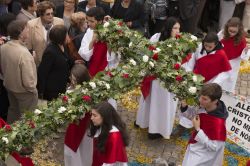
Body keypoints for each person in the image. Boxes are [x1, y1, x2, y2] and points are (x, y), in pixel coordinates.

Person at [135, 17, 180, 139]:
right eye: (175, 28)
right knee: (151, 101)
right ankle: (145, 122)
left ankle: (157, 129)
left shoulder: (179, 42)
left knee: (162, 104)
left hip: (167, 79)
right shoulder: (156, 37)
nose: (177, 31)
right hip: (154, 77)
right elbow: (148, 51)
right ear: (169, 28)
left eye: (179, 28)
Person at [180, 32, 231, 129]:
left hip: (209, 83)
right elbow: (192, 61)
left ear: (215, 44)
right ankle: (184, 124)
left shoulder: (221, 54)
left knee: (202, 104)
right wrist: (189, 74)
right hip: (194, 80)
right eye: (205, 45)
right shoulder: (199, 46)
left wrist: (213, 84)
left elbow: (226, 72)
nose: (207, 48)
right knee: (189, 101)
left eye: (210, 47)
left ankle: (199, 125)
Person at [0, 20, 38, 124]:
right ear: (21, 33)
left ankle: (9, 135)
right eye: (27, 28)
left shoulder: (3, 47)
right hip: (24, 92)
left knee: (13, 112)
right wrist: (33, 91)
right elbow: (29, 82)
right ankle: (26, 139)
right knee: (28, 119)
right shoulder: (24, 54)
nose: (29, 30)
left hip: (9, 87)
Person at [181, 83, 228, 166]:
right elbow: (194, 116)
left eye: (204, 99)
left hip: (204, 157)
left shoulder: (218, 123)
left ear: (215, 101)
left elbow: (214, 147)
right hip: (196, 147)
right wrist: (184, 107)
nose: (200, 100)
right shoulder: (205, 106)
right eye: (200, 97)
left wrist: (198, 130)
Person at [78, 7, 119, 77]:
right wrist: (92, 40)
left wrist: (109, 44)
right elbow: (84, 55)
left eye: (92, 21)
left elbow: (114, 57)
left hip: (109, 69)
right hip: (93, 67)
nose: (88, 24)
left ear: (100, 21)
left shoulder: (112, 31)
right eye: (87, 21)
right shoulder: (89, 31)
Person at [37, 25, 74, 101]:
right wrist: (41, 92)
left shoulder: (63, 45)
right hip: (52, 90)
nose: (68, 36)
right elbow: (42, 72)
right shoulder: (50, 52)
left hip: (62, 86)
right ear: (61, 37)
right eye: (66, 34)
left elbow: (66, 59)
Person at [89, 101, 129, 165]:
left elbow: (110, 162)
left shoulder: (113, 136)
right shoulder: (101, 126)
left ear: (104, 116)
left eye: (95, 115)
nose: (91, 118)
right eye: (91, 114)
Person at [26, 1, 64, 66]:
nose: (51, 16)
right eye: (48, 14)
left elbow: (64, 41)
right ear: (41, 15)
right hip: (40, 62)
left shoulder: (59, 22)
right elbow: (28, 47)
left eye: (52, 13)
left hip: (57, 61)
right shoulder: (31, 24)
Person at [218, 17, 250, 92]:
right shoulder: (223, 33)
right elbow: (216, 42)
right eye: (230, 31)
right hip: (220, 61)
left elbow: (244, 57)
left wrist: (246, 50)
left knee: (227, 84)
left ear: (239, 31)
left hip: (232, 65)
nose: (231, 33)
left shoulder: (242, 40)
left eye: (234, 32)